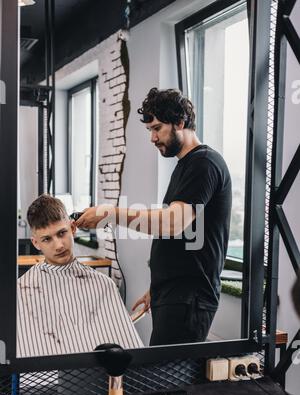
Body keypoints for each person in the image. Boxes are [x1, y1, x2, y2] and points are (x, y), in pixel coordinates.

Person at [76, 87, 232, 346]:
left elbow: (173, 223)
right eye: (150, 130)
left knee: (166, 382)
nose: (152, 138)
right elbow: (186, 238)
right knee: (161, 379)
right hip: (173, 294)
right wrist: (157, 288)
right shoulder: (186, 165)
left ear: (180, 122)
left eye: (157, 128)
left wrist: (110, 213)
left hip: (189, 299)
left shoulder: (204, 163)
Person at [17, 194, 143, 358]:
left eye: (62, 233)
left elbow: (128, 356)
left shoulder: (103, 285)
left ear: (73, 228)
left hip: (98, 381)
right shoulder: (22, 290)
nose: (59, 245)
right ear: (36, 243)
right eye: (47, 239)